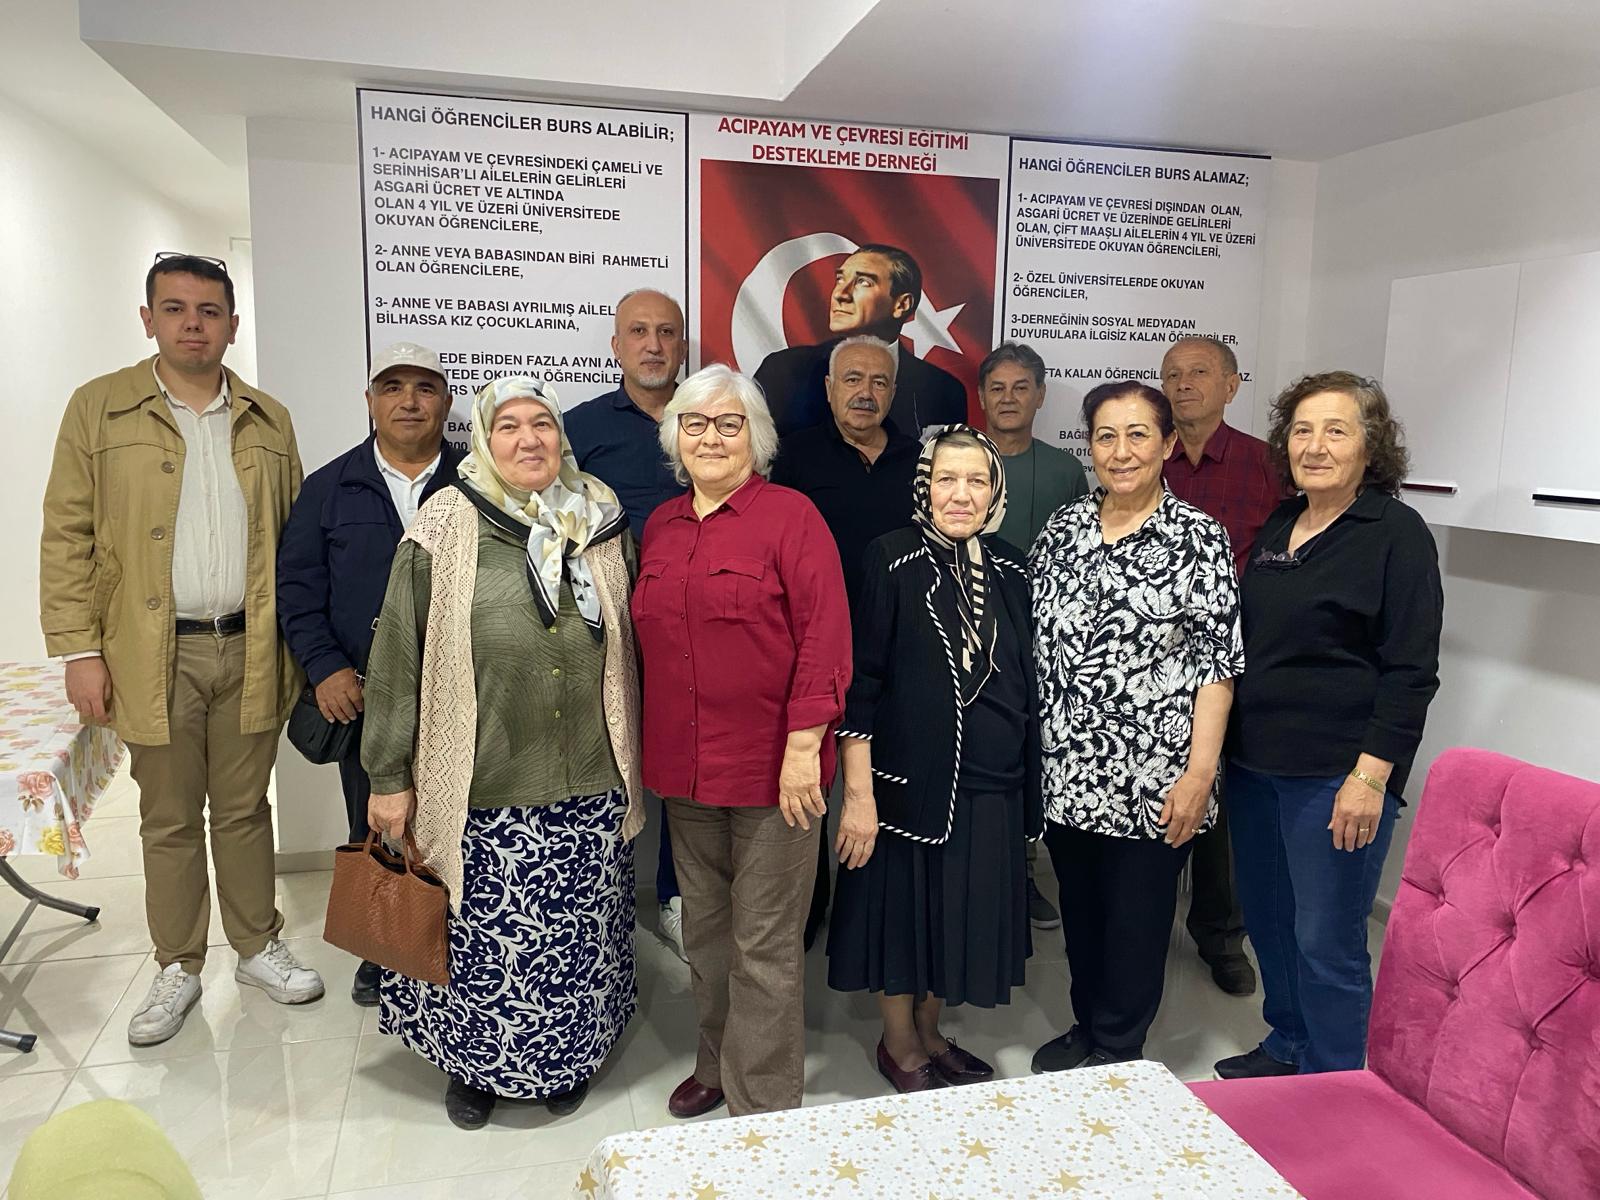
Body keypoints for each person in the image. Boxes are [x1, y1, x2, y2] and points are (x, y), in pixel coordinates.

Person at [40, 252, 320, 1048]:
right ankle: (178, 966)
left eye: (208, 311)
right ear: (148, 320)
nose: (192, 324)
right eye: (175, 309)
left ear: (232, 325)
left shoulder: (267, 418)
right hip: (149, 650)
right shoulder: (100, 409)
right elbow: (66, 533)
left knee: (244, 809)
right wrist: (79, 649)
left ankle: (258, 947)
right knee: (167, 817)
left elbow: (296, 539)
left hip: (250, 646)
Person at [361, 375, 645, 1129]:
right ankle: (473, 1072)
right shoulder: (445, 525)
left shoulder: (602, 518)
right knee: (482, 944)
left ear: (562, 436)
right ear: (485, 441)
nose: (528, 439)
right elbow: (396, 656)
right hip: (482, 782)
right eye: (509, 426)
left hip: (591, 777)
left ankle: (566, 1059)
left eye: (542, 423)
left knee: (579, 939)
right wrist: (388, 776)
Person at [632, 364, 852, 1117]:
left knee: (764, 944)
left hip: (774, 775)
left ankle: (761, 1104)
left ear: (755, 438)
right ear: (676, 437)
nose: (712, 438)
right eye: (695, 424)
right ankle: (717, 1062)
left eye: (730, 424)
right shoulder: (661, 526)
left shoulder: (792, 518)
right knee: (706, 933)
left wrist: (803, 750)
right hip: (687, 771)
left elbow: (826, 639)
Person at [1216, 371, 1442, 1079]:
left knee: (1326, 939)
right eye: (1302, 431)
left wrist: (1371, 778)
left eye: (1336, 431)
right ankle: (1288, 1043)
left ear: (1370, 447)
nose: (1315, 446)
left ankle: (1337, 1083)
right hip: (1255, 767)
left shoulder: (1395, 534)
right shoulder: (1284, 523)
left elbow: (1411, 670)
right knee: (1269, 922)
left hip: (1337, 776)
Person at [1029, 381, 1243, 1072]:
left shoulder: (1198, 539)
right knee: (1083, 915)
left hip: (1155, 779)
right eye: (1106, 436)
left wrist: (1200, 775)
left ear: (1168, 443)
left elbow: (1217, 667)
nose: (1120, 452)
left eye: (1138, 435)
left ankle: (1119, 1051)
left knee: (1137, 924)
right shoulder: (1062, 530)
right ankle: (1088, 1025)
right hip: (1066, 775)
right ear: (1089, 446)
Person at [828, 426, 1039, 1094]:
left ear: (995, 491)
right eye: (946, 479)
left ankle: (931, 1032)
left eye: (976, 480)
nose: (960, 494)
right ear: (924, 486)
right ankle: (898, 1042)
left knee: (953, 921)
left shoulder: (1012, 569)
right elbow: (862, 683)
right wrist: (858, 795)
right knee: (904, 921)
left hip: (992, 786)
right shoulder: (891, 558)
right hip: (909, 787)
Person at [277, 341, 464, 1006]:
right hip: (365, 697)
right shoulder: (329, 487)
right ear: (370, 401)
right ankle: (381, 952)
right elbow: (297, 589)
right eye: (392, 387)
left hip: (461, 695)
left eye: (424, 387)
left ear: (446, 401)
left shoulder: (479, 482)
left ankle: (456, 948)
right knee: (376, 823)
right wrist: (325, 668)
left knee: (457, 828)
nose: (409, 401)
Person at [770, 336, 920, 949]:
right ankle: (808, 907)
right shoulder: (794, 457)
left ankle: (871, 913)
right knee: (810, 784)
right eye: (853, 379)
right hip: (809, 649)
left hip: (899, 649)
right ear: (829, 389)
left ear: (894, 392)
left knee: (882, 782)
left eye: (880, 382)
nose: (866, 392)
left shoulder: (921, 461)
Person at [1160, 335, 1288, 997]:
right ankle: (1143, 928)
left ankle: (1220, 935)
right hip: (1153, 667)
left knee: (1222, 805)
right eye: (1172, 374)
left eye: (1199, 373)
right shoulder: (1146, 459)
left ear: (1232, 386)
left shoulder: (1268, 466)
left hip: (1237, 664)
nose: (1184, 384)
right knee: (1155, 792)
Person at [567, 289, 690, 961]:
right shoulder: (581, 427)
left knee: (682, 766)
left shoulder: (707, 418)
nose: (653, 344)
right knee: (607, 762)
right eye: (638, 332)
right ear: (616, 346)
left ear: (682, 346)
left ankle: (676, 898)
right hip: (605, 627)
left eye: (666, 332)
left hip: (691, 630)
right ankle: (600, 901)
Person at [977, 341, 1089, 934]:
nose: (1009, 398)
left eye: (1021, 387)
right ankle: (975, 872)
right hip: (968, 628)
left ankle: (1021, 876)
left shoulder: (1066, 471)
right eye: (997, 388)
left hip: (1042, 638)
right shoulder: (958, 459)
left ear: (1041, 396)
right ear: (981, 396)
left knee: (1028, 752)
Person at [755, 243, 967, 436]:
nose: (840, 294)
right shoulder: (782, 371)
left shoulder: (943, 391)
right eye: (840, 279)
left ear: (901, 305)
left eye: (863, 282)